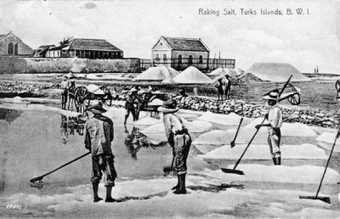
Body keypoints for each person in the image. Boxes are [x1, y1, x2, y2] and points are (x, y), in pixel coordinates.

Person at [84, 104, 117, 202]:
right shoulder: (109, 121)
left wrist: (91, 148)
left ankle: (95, 197)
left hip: (95, 151)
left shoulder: (88, 122)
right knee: (110, 173)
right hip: (106, 151)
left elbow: (86, 141)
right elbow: (111, 138)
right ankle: (108, 197)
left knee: (96, 174)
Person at [158, 99, 191, 194]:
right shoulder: (175, 116)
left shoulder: (167, 117)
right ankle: (179, 184)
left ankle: (182, 188)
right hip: (186, 137)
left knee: (179, 161)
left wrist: (172, 145)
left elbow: (168, 132)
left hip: (179, 138)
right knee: (181, 160)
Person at [255, 89, 282, 165]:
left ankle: (278, 166)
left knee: (275, 149)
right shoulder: (272, 109)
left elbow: (273, 124)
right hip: (270, 132)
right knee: (271, 150)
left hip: (274, 131)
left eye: (270, 100)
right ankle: (275, 166)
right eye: (268, 100)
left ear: (273, 101)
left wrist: (260, 125)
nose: (268, 102)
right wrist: (267, 116)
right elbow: (270, 120)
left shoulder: (276, 110)